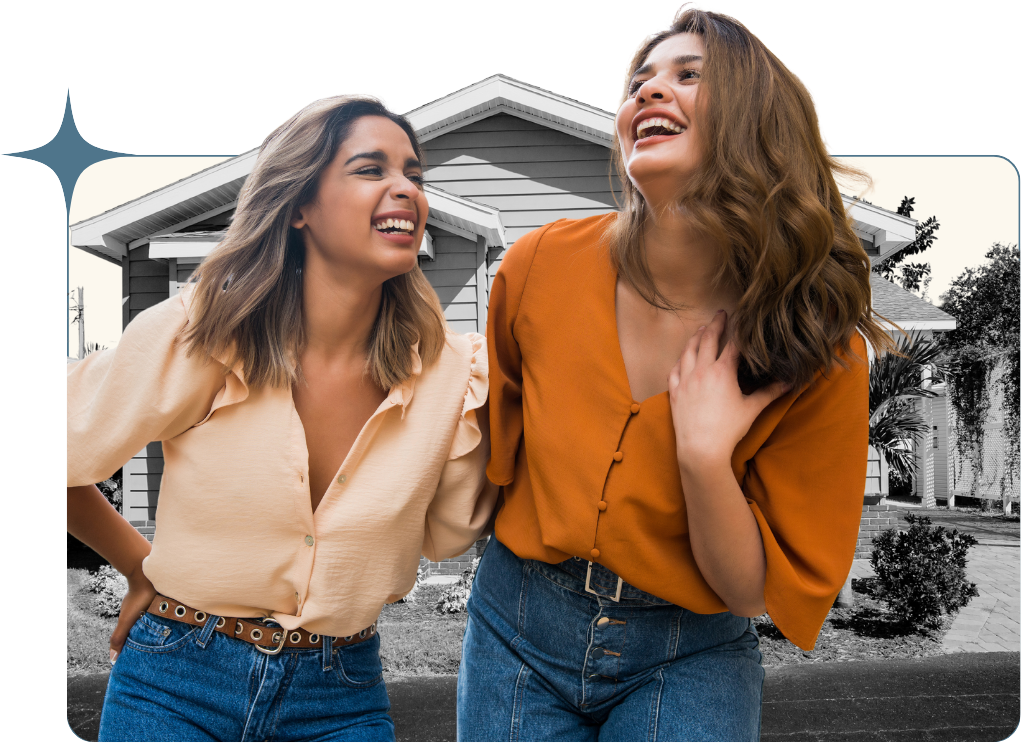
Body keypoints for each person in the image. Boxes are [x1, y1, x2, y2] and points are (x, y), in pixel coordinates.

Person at [457, 3, 896, 741]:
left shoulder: (816, 345)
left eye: (688, 76)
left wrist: (703, 456)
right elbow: (486, 463)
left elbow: (748, 589)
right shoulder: (536, 267)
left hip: (687, 650)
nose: (648, 92)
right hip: (513, 629)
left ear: (755, 120)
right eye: (638, 82)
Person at [66, 92, 498, 742]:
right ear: (299, 205)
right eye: (370, 169)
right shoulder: (203, 335)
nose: (404, 189)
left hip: (339, 696)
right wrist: (136, 565)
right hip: (172, 684)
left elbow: (444, 535)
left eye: (412, 173)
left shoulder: (450, 374)